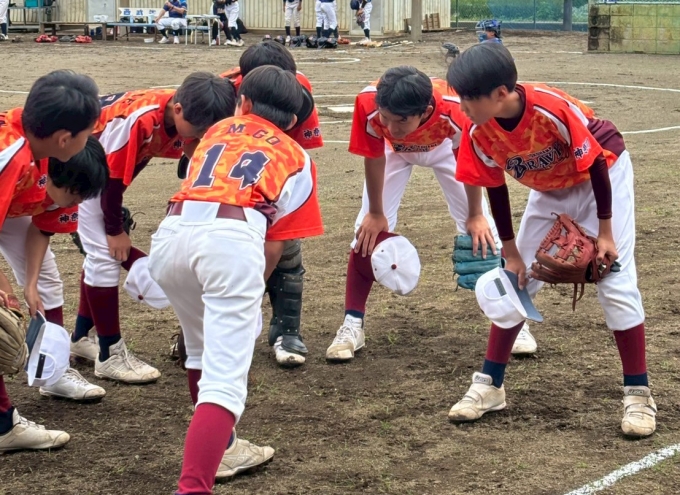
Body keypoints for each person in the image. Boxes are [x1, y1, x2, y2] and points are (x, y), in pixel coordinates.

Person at [446, 43, 656, 438]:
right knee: (516, 280)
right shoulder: (478, 130)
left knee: (613, 277)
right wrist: (511, 253)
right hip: (550, 187)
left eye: (469, 98)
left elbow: (595, 160)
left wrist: (605, 232)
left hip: (603, 175)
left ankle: (638, 394)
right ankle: (490, 385)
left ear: (501, 93)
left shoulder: (549, 109)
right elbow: (495, 188)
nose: (463, 107)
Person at [148, 64, 317, 495]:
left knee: (200, 352)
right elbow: (274, 248)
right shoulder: (298, 157)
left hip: (171, 234)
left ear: (242, 103)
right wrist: (249, 291)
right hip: (231, 240)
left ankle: (223, 450)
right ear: (292, 121)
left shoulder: (217, 130)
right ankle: (193, 488)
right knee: (223, 383)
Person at [326, 65, 499, 362]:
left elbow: (467, 160)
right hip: (394, 152)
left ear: (426, 110)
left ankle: (509, 320)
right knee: (366, 231)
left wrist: (475, 214)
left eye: (401, 119)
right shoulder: (368, 102)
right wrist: (376, 212)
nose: (391, 127)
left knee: (483, 231)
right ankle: (352, 323)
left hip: (444, 147)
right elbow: (374, 154)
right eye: (386, 117)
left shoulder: (455, 108)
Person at [71, 73, 235, 385]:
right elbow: (111, 180)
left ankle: (80, 336)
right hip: (79, 171)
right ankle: (109, 353)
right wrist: (114, 228)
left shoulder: (184, 108)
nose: (201, 137)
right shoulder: (140, 120)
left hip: (94, 171)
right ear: (178, 110)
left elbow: (137, 159)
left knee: (100, 254)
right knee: (105, 255)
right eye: (198, 131)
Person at [0, 70, 107, 451]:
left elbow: (41, 228)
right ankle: (4, 426)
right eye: (85, 133)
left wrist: (27, 286)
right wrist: (5, 293)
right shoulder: (11, 155)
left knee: (44, 281)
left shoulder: (47, 157)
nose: (87, 139)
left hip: (12, 209)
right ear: (65, 138)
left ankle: (54, 370)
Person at [219, 41, 324, 367]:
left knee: (287, 249)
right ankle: (198, 331)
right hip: (227, 183)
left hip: (275, 174)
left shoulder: (298, 91)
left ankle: (287, 331)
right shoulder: (223, 92)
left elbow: (299, 150)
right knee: (220, 257)